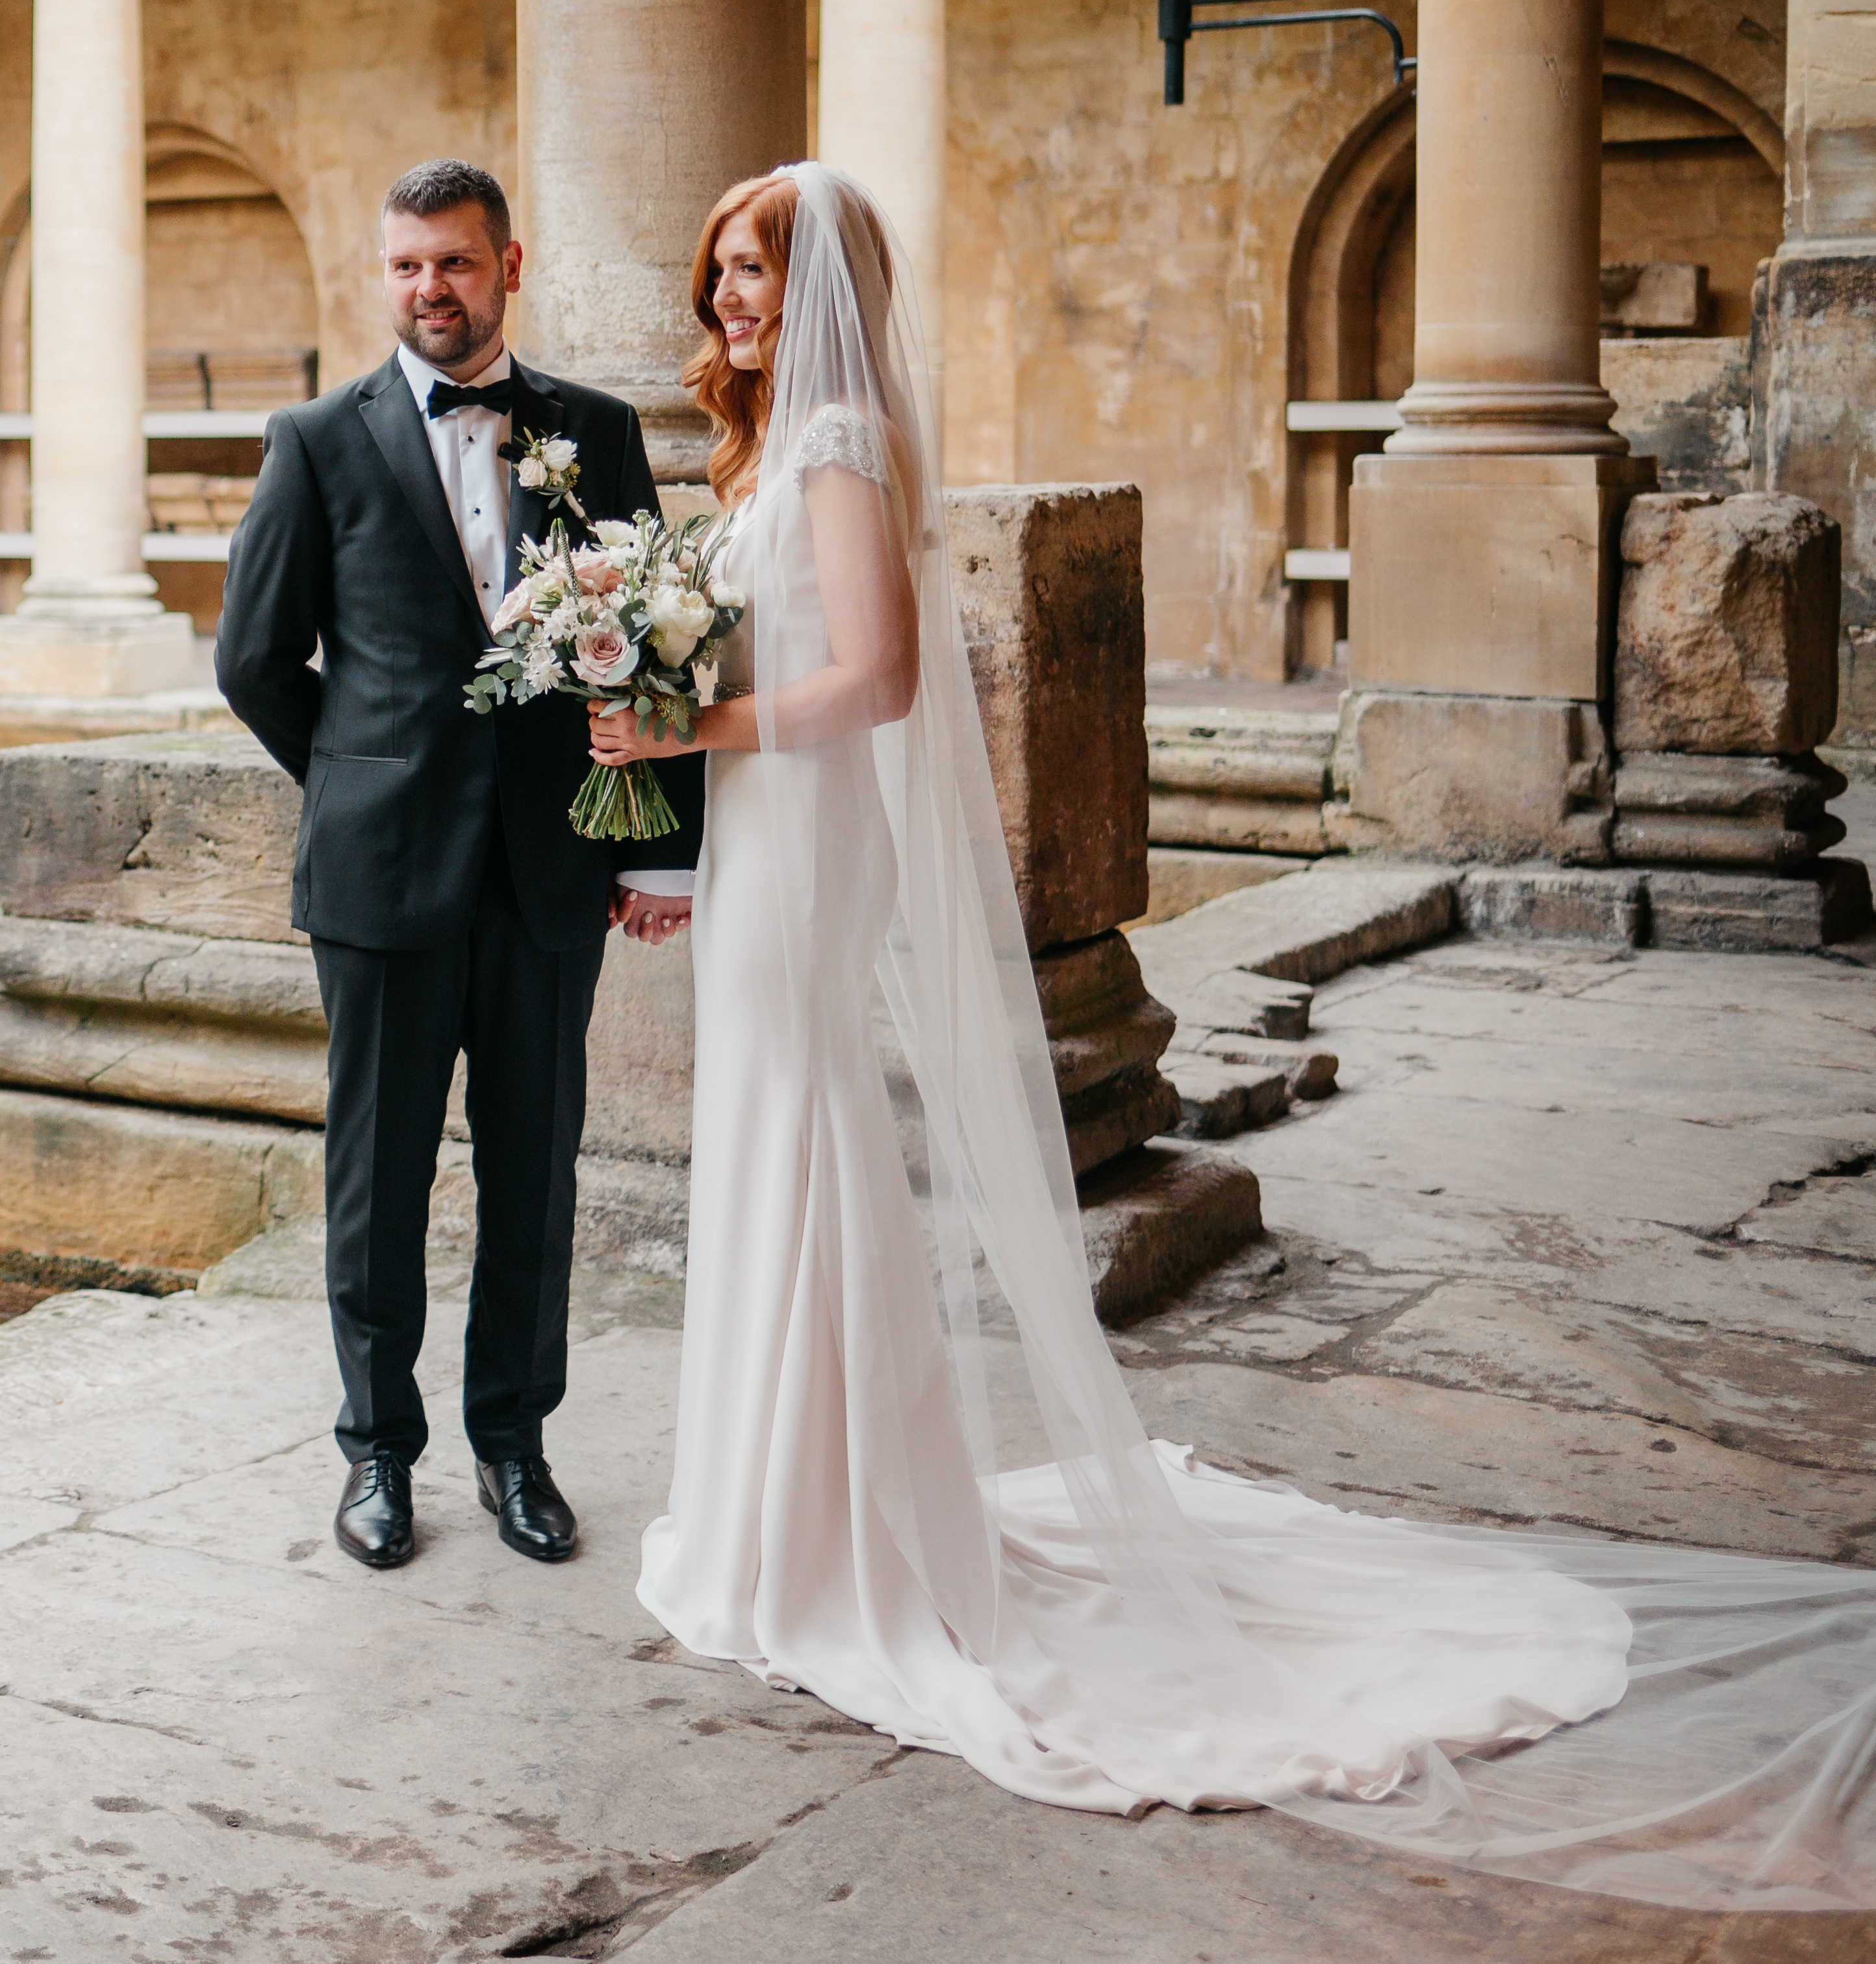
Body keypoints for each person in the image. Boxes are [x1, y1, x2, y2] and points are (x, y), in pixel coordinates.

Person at [590, 159, 1876, 1910]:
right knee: (774, 1131)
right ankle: (781, 1500)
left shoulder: (832, 443)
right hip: (761, 832)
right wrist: (680, 782)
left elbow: (879, 680)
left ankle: (818, 1531)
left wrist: (692, 727)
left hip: (802, 832)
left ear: (820, 286)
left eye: (757, 270)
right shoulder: (784, 441)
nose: (730, 298)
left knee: (796, 1127)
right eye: (722, 269)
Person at [214, 157, 700, 1572]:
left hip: (549, 869)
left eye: (456, 264)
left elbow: (656, 647)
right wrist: (362, 784)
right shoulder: (313, 439)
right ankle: (376, 1452)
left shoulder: (595, 433)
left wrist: (654, 852)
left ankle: (514, 1446)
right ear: (387, 277)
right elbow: (253, 660)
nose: (430, 290)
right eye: (407, 267)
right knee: (376, 1171)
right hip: (380, 877)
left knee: (534, 1170)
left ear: (508, 265)